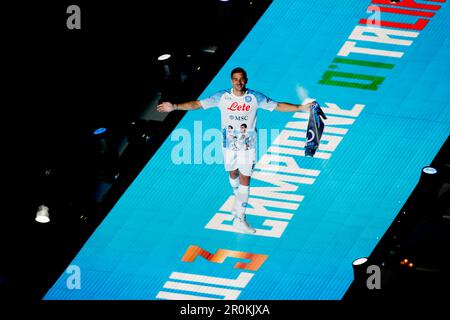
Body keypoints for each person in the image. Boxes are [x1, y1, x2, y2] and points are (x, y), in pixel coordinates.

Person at [157, 67, 315, 233]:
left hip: (247, 146)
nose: (238, 82)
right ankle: (237, 197)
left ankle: (240, 218)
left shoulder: (254, 97)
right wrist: (174, 106)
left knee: (245, 179)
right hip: (228, 144)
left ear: (246, 80)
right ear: (231, 80)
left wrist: (299, 107)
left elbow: (278, 106)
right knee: (233, 174)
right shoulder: (222, 97)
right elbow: (197, 104)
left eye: (241, 79)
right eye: (235, 79)